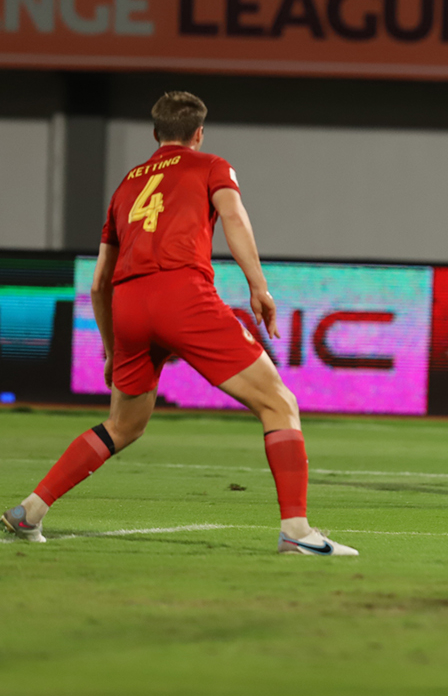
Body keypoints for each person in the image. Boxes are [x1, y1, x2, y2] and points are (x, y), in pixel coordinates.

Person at [1, 92, 356, 557]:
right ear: (198, 133)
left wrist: (110, 348)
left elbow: (98, 284)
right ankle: (296, 530)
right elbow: (233, 217)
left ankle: (30, 510)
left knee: (122, 425)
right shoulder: (211, 165)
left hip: (129, 305)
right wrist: (258, 287)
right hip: (181, 294)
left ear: (155, 135)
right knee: (278, 402)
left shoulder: (126, 185)